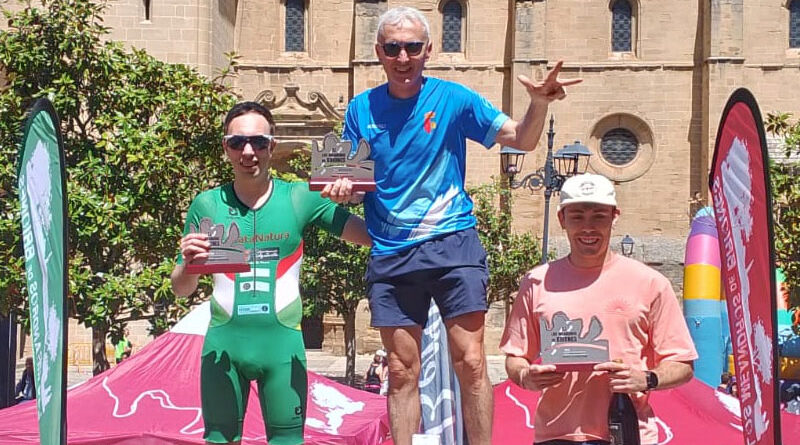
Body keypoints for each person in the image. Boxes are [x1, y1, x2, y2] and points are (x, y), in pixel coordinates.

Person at [321, 6, 581, 445]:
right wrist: (342, 188)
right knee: (401, 369)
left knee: (472, 362)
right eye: (392, 48)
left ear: (428, 51)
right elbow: (351, 179)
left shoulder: (454, 98)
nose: (402, 57)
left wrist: (538, 103)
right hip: (391, 250)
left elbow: (522, 139)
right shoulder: (361, 109)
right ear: (378, 53)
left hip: (452, 244)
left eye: (412, 47)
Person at [171, 101, 371, 445]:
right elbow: (181, 289)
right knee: (218, 440)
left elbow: (369, 236)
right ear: (226, 148)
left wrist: (359, 197)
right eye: (237, 143)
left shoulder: (299, 198)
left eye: (259, 142)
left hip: (282, 347)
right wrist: (190, 264)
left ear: (271, 146)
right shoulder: (206, 204)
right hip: (223, 346)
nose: (248, 152)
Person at [500, 173, 698, 445]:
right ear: (562, 220)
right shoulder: (536, 282)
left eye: (599, 216)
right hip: (555, 436)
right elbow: (515, 356)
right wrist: (525, 376)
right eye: (578, 216)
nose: (588, 228)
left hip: (627, 433)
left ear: (614, 217)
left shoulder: (651, 282)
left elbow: (683, 365)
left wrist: (648, 378)